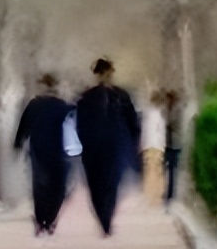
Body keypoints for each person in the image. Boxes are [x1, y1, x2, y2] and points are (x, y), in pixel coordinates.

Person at [75, 58, 141, 235]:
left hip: (114, 147)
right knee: (96, 185)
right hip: (93, 150)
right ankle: (103, 216)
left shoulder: (121, 96)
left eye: (108, 74)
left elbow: (133, 122)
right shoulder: (86, 97)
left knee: (112, 183)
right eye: (103, 74)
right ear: (97, 75)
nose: (106, 77)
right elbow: (80, 123)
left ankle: (107, 219)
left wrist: (132, 146)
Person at [14, 74, 73, 236]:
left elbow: (24, 126)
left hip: (38, 150)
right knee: (58, 187)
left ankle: (41, 220)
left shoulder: (34, 105)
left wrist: (18, 143)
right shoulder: (63, 106)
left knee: (40, 186)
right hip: (59, 152)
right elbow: (73, 127)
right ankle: (50, 218)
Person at [141, 91, 168, 207]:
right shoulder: (158, 115)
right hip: (156, 146)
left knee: (150, 172)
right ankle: (156, 196)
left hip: (149, 146)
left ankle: (151, 196)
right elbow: (160, 133)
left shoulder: (149, 115)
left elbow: (146, 132)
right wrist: (163, 146)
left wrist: (142, 146)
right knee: (157, 171)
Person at [163, 90, 183, 205]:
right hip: (168, 143)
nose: (167, 100)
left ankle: (172, 194)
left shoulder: (177, 109)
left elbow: (170, 122)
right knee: (167, 170)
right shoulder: (166, 109)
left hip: (175, 143)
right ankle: (168, 192)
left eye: (169, 98)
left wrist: (166, 123)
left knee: (173, 170)